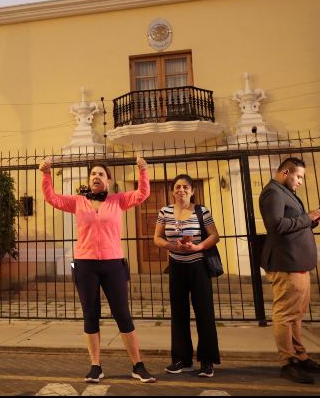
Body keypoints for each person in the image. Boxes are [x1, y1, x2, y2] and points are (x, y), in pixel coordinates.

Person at [39, 156, 156, 384]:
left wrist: (143, 171)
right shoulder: (78, 202)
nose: (96, 177)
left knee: (122, 314)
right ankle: (95, 366)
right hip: (85, 265)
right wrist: (46, 174)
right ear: (89, 179)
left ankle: (138, 365)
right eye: (93, 174)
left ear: (108, 181)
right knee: (90, 315)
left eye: (101, 174)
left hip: (113, 263)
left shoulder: (118, 201)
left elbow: (142, 194)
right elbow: (51, 198)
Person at [259, 157, 320, 385]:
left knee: (296, 316)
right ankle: (287, 362)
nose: (300, 181)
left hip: (298, 263)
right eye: (298, 176)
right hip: (285, 263)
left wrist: (313, 218)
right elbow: (276, 225)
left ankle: (301, 356)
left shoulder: (284, 191)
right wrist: (307, 217)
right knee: (285, 314)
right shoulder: (273, 192)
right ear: (286, 172)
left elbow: (293, 221)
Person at [152, 174, 221, 378]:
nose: (181, 190)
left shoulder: (202, 211)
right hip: (176, 267)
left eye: (185, 187)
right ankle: (181, 359)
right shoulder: (164, 211)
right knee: (179, 314)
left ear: (192, 191)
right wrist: (170, 245)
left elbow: (214, 235)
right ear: (173, 191)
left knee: (204, 313)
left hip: (198, 266)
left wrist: (198, 246)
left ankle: (207, 361)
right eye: (177, 187)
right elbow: (157, 237)